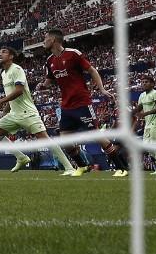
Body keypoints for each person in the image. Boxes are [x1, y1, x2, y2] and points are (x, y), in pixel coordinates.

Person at [35, 29, 130, 176]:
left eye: (45, 38)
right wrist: (43, 85)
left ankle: (122, 168)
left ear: (53, 40)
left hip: (82, 103)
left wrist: (102, 89)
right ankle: (82, 166)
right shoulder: (49, 61)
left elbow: (92, 71)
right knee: (65, 140)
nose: (43, 41)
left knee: (96, 136)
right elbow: (50, 80)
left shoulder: (73, 54)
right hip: (66, 105)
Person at [0, 46, 77, 176]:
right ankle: (21, 157)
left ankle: (69, 167)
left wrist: (0, 101)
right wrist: (5, 112)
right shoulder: (3, 74)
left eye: (4, 52)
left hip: (27, 113)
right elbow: (11, 95)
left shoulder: (16, 69)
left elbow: (19, 91)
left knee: (44, 139)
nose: (0, 54)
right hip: (14, 113)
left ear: (11, 56)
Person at [134, 76, 156, 175]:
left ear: (152, 84)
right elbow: (139, 108)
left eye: (146, 82)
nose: (144, 83)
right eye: (142, 82)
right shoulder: (141, 95)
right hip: (148, 125)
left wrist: (145, 113)